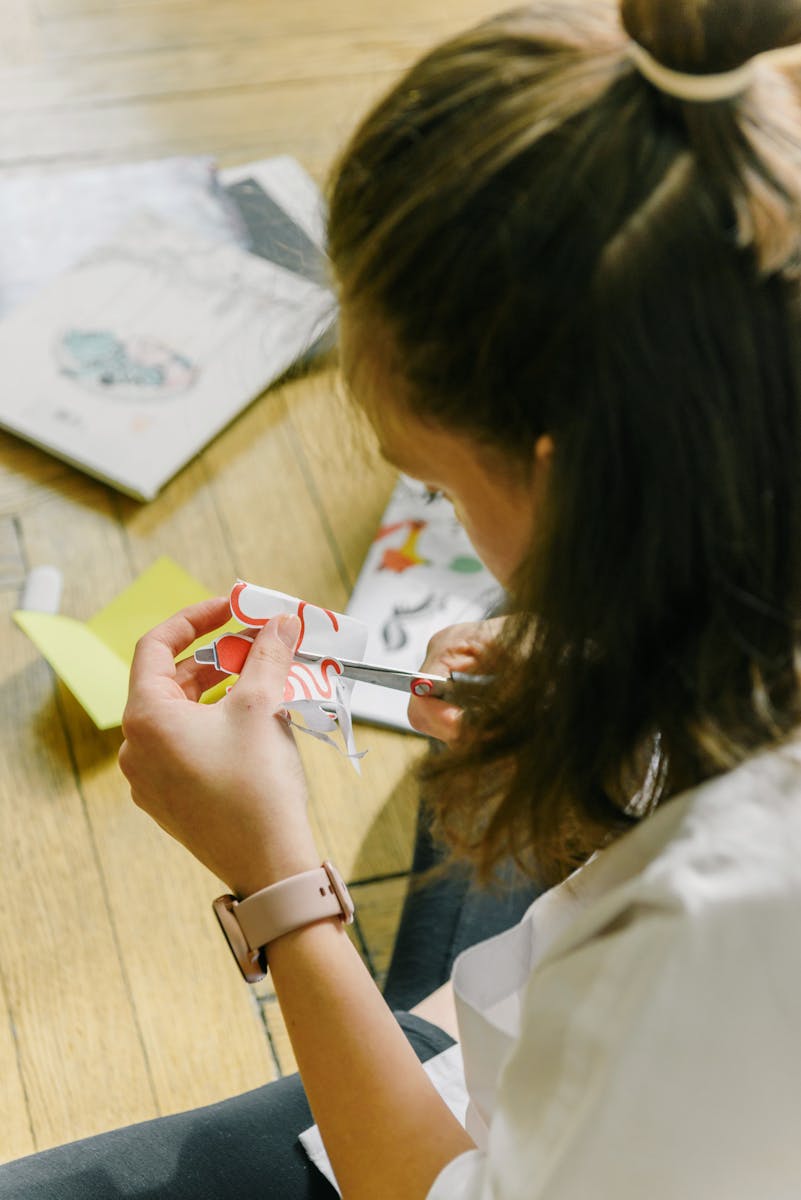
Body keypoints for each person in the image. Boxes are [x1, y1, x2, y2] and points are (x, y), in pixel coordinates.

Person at [4, 0, 801, 1194]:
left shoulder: (713, 928)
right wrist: (616, 725)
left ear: (564, 477)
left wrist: (276, 885)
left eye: (439, 482)